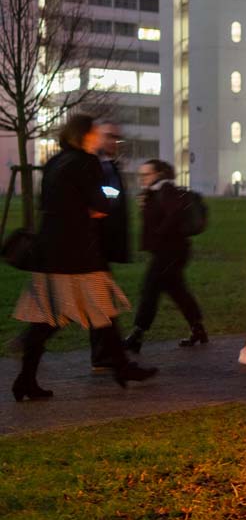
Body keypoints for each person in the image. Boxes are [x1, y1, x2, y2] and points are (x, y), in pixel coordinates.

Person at [11, 114, 157, 400]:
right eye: (93, 133)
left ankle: (28, 377)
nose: (96, 138)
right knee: (91, 310)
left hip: (51, 250)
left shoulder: (55, 162)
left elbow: (51, 203)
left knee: (63, 314)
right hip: (78, 253)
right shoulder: (86, 162)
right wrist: (106, 198)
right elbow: (102, 204)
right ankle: (120, 367)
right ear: (84, 135)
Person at [124, 160, 207, 352]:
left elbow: (174, 214)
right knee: (178, 291)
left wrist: (159, 234)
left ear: (159, 174)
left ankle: (137, 335)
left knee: (149, 289)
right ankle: (198, 329)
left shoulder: (166, 189)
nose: (142, 179)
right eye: (141, 175)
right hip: (168, 251)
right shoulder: (154, 192)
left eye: (146, 175)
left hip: (171, 252)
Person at [89, 121, 133, 371]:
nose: (114, 141)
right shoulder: (97, 165)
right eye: (109, 136)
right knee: (101, 301)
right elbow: (104, 195)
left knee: (101, 301)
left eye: (117, 137)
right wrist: (112, 197)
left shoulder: (107, 165)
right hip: (97, 245)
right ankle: (109, 354)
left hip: (103, 245)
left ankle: (107, 352)